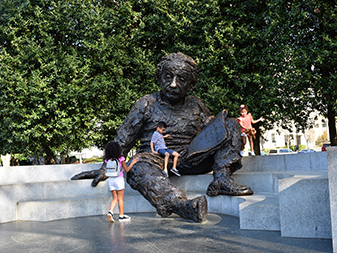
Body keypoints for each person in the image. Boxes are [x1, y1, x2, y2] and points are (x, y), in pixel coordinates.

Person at [72, 52, 254, 223]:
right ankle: (181, 205)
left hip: (190, 157)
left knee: (229, 123)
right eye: (168, 77)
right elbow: (125, 135)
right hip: (154, 159)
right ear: (160, 79)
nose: (173, 84)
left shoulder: (196, 104)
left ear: (191, 85)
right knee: (136, 168)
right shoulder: (146, 103)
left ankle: (221, 179)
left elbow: (213, 131)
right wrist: (107, 165)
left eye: (181, 79)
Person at [105, 142, 139, 223]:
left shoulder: (107, 160)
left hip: (110, 180)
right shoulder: (121, 158)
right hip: (118, 179)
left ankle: (110, 212)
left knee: (114, 198)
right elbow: (126, 170)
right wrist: (133, 162)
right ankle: (121, 216)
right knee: (120, 198)